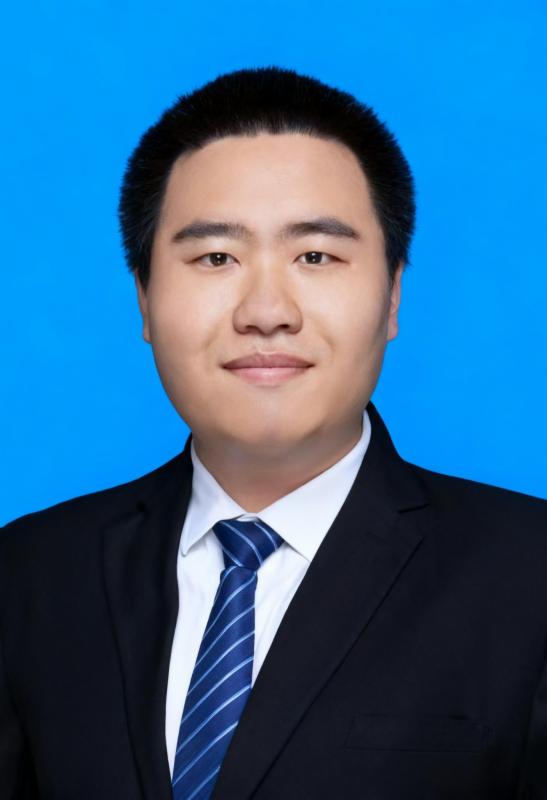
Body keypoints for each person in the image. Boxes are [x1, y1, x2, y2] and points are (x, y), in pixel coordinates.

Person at [0, 66, 545, 800]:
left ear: (391, 295)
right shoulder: (30, 575)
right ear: (144, 298)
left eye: (315, 256)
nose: (265, 312)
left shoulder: (528, 575)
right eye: (215, 257)